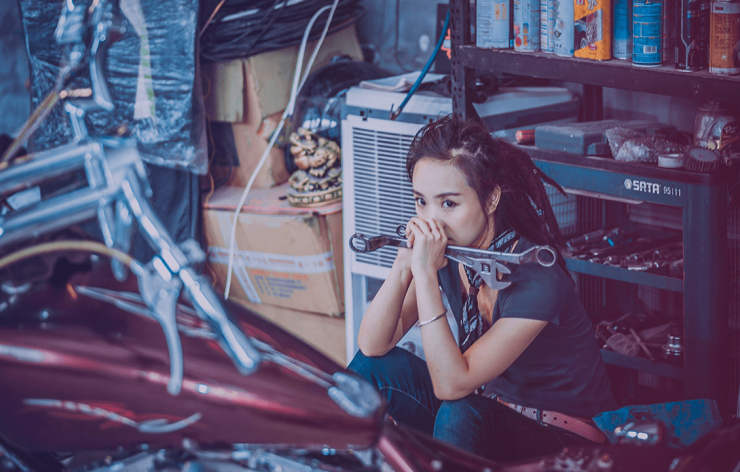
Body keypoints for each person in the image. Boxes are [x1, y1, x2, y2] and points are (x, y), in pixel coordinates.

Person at [348, 114, 616, 462]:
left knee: (460, 408)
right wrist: (405, 265)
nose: (431, 221)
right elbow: (373, 345)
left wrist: (426, 277)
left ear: (490, 200)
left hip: (564, 440)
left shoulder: (536, 279)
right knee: (372, 372)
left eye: (448, 203)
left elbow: (453, 384)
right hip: (490, 415)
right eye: (421, 201)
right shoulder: (452, 257)